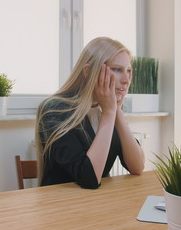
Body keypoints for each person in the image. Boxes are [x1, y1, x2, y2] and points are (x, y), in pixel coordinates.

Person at [35, 37, 145, 189]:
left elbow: (137, 167)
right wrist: (109, 112)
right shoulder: (54, 110)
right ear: (88, 71)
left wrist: (117, 111)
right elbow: (89, 178)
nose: (126, 80)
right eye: (117, 69)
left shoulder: (108, 107)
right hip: (61, 205)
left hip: (96, 203)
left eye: (128, 71)